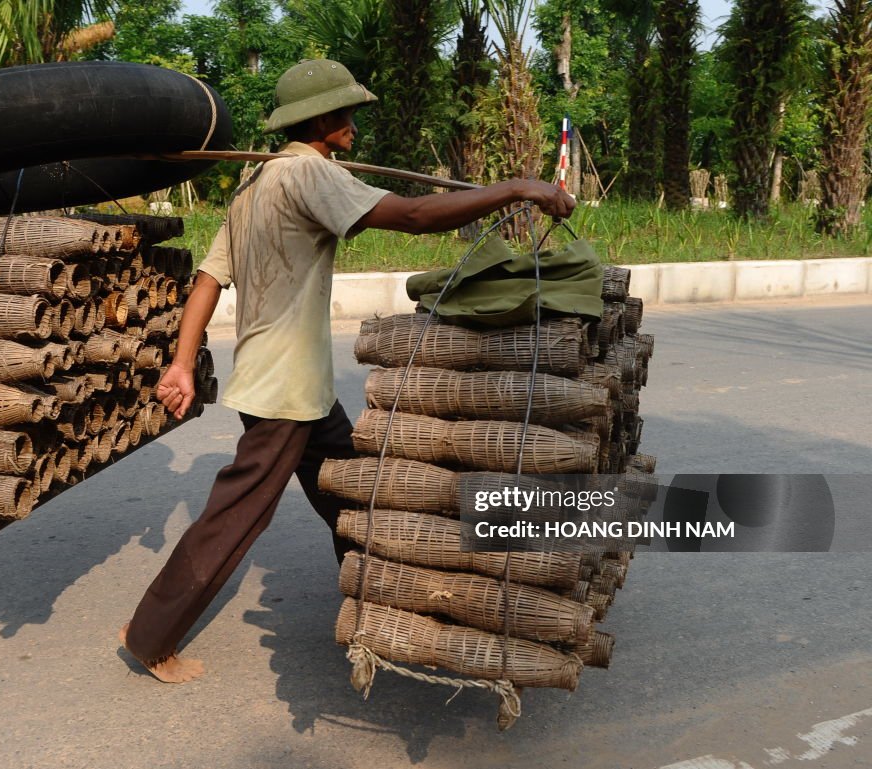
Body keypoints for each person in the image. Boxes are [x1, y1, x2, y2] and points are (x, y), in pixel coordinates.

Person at [119, 59, 576, 683]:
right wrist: (519, 190)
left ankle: (378, 598)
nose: (355, 125)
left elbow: (208, 279)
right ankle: (150, 637)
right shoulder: (307, 174)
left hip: (290, 383)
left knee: (354, 495)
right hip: (285, 390)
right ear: (323, 119)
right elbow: (414, 217)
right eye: (348, 114)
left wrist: (182, 362)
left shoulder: (257, 182)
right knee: (236, 515)